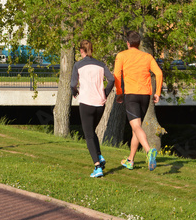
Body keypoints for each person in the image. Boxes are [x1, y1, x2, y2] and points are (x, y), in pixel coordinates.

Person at [114, 31, 163, 171]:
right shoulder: (147, 57)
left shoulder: (122, 55)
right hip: (145, 95)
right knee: (137, 128)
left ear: (128, 43)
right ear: (139, 43)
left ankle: (148, 151)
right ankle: (130, 160)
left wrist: (119, 93)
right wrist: (157, 93)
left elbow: (117, 75)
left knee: (136, 127)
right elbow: (159, 73)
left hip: (131, 94)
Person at [70, 40, 114, 178]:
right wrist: (105, 92)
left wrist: (75, 92)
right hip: (100, 103)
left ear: (81, 51)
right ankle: (99, 156)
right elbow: (111, 79)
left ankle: (97, 167)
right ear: (91, 50)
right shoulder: (101, 65)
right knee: (91, 131)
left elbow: (72, 84)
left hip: (86, 102)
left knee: (88, 135)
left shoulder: (78, 65)